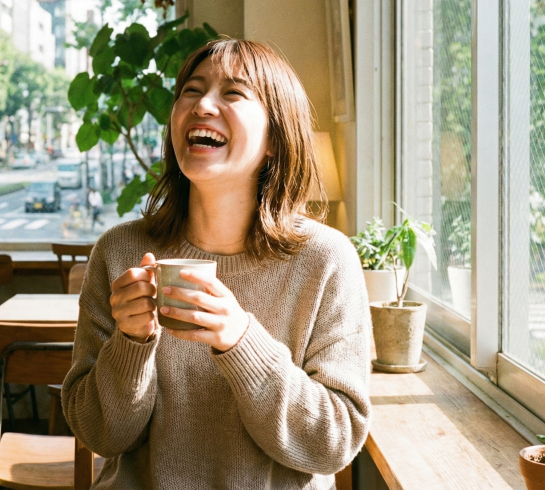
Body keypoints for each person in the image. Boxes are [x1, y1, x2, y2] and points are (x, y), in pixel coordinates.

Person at [61, 39, 372, 489]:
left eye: (233, 93)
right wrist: (130, 344)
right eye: (192, 89)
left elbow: (333, 443)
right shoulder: (119, 252)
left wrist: (241, 341)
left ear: (274, 139)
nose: (203, 104)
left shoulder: (326, 260)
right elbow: (99, 435)